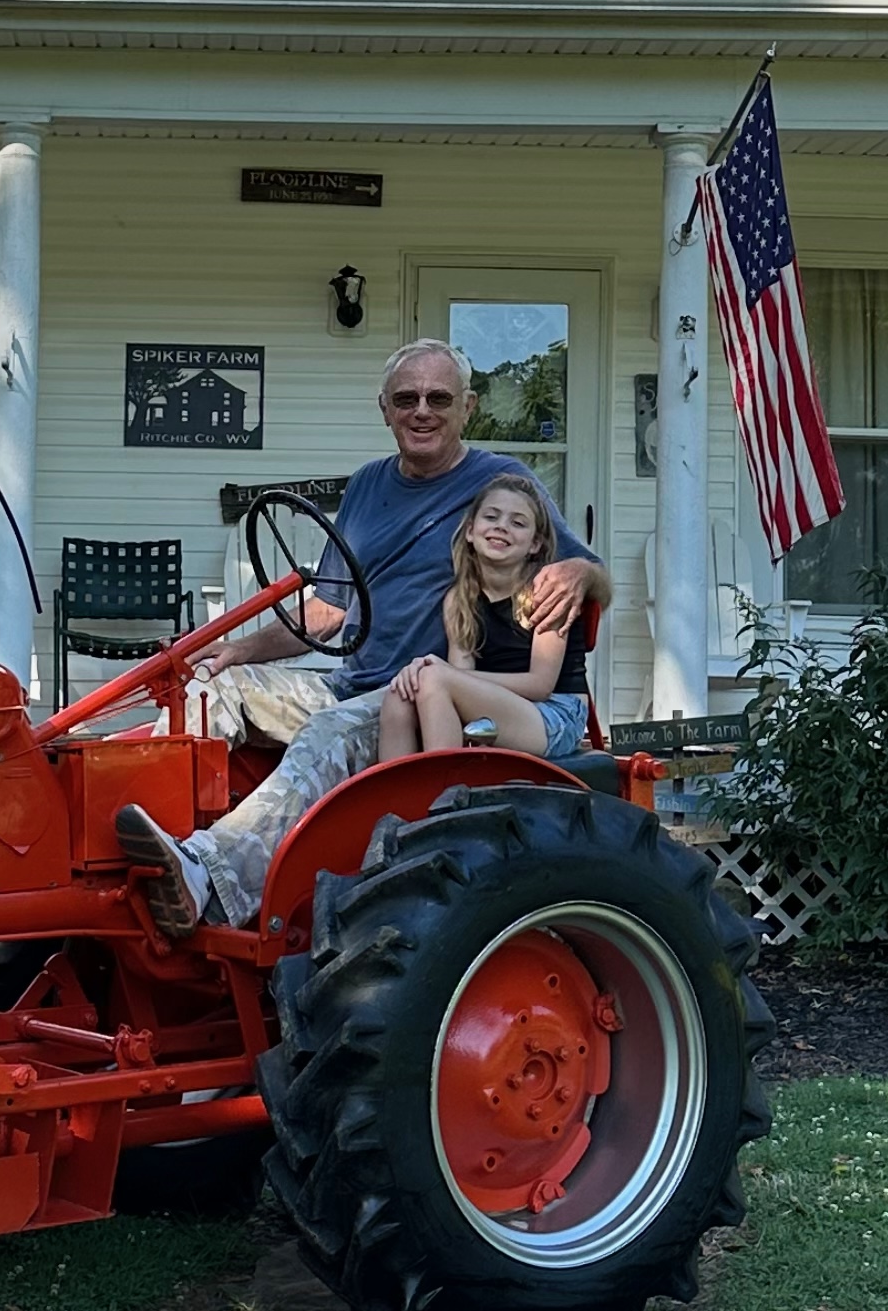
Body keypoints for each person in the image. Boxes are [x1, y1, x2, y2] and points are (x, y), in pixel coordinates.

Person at [114, 339, 608, 932]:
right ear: (385, 408)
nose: (421, 410)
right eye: (406, 398)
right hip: (348, 681)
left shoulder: (500, 484)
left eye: (438, 398)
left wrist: (583, 571)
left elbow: (583, 575)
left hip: (409, 697)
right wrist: (241, 651)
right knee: (209, 690)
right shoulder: (368, 486)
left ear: (467, 407)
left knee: (328, 734)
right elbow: (327, 609)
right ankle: (144, 844)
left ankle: (210, 881)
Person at [375, 472, 592, 765]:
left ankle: (445, 796)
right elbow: (457, 675)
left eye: (517, 522)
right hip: (500, 706)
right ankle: (395, 803)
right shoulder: (460, 597)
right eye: (492, 517)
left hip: (555, 713)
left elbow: (540, 684)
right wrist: (427, 672)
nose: (502, 527)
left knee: (433, 677)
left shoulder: (548, 591)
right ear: (469, 531)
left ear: (535, 544)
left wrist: (439, 671)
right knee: (400, 694)